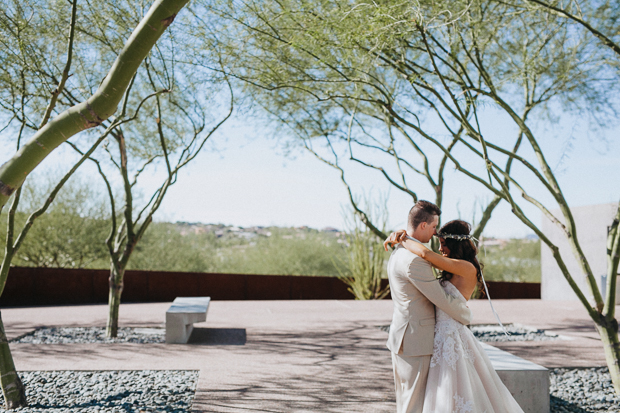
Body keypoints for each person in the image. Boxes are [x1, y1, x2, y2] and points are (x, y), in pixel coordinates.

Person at [384, 219, 524, 413]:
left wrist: (402, 237)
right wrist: (402, 236)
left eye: (443, 244)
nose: (441, 248)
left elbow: (425, 253)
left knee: (454, 389)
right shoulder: (452, 266)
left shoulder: (466, 268)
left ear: (455, 243)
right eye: (439, 243)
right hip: (438, 336)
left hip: (452, 337)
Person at [383, 200, 473, 413]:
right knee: (413, 404)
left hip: (405, 337)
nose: (435, 234)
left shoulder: (399, 252)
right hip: (416, 341)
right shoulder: (414, 260)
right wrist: (465, 315)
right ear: (423, 225)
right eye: (433, 227)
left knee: (407, 400)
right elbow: (440, 299)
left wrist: (402, 236)